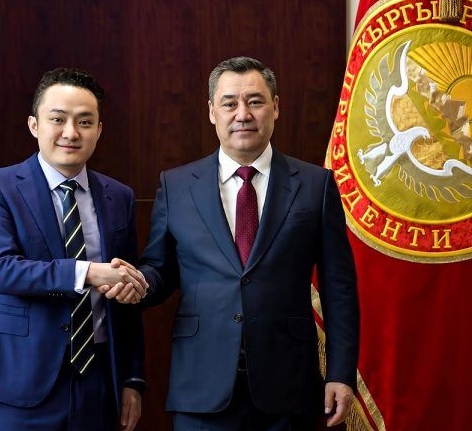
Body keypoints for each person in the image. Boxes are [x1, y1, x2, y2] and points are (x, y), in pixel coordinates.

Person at [134, 57, 359, 430]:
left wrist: (340, 372)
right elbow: (160, 271)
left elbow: (340, 289)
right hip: (202, 386)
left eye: (255, 101)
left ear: (276, 107)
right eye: (229, 103)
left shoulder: (315, 185)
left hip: (288, 386)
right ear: (212, 111)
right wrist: (135, 283)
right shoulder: (176, 186)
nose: (243, 114)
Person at [0, 68, 148, 431]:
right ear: (35, 125)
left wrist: (132, 379)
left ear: (99, 130)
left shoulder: (119, 197)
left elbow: (125, 299)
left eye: (85, 121)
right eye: (58, 119)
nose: (71, 132)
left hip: (99, 376)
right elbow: (3, 270)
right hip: (23, 375)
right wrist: (87, 272)